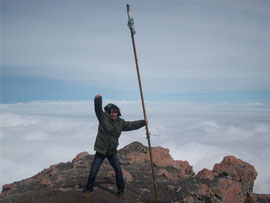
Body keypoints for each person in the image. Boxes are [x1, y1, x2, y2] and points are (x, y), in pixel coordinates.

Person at [83, 94, 147, 199]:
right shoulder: (103, 118)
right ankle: (89, 189)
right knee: (94, 171)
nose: (113, 114)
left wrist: (143, 122)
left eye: (115, 112)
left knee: (118, 171)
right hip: (101, 150)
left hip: (112, 151)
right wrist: (98, 99)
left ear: (118, 113)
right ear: (109, 112)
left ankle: (121, 192)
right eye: (112, 112)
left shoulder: (120, 123)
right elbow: (97, 109)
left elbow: (132, 125)